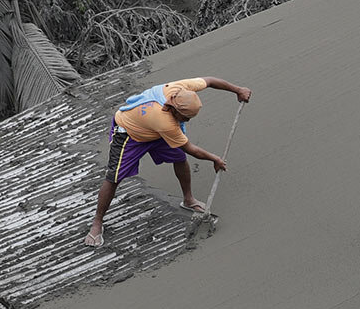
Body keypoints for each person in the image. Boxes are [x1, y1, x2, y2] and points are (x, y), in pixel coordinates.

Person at [84, 76, 252, 247]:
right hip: (129, 133)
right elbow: (190, 148)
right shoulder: (165, 122)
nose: (187, 121)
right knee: (114, 177)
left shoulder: (181, 89)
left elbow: (209, 81)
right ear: (174, 109)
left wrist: (237, 89)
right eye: (185, 117)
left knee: (179, 159)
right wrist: (215, 159)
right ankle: (97, 222)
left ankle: (189, 199)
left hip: (155, 131)